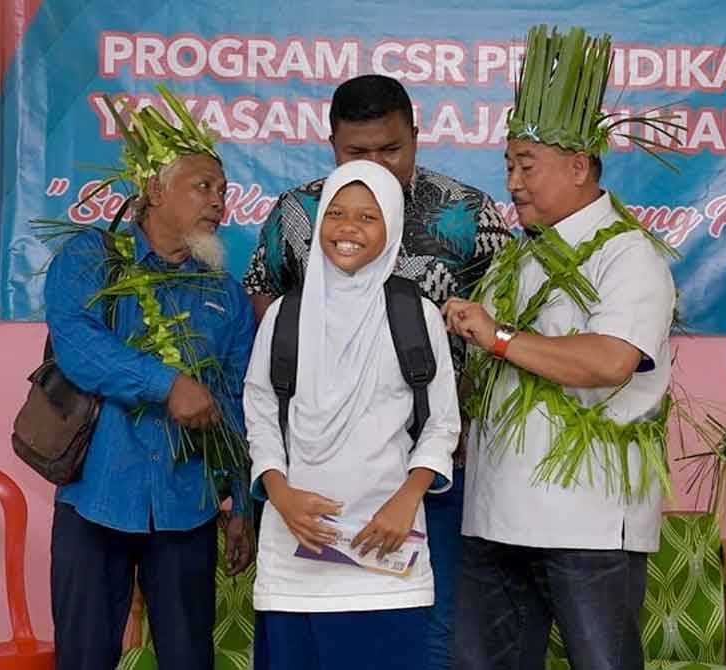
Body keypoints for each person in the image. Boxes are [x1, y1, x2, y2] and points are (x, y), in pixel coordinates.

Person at [242, 73, 512, 669]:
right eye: (356, 153)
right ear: (331, 142)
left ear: (416, 134)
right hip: (307, 477)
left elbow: (505, 326)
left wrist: (431, 459)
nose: (377, 165)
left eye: (391, 149)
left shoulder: (468, 214)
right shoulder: (296, 214)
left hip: (428, 470)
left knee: (427, 631)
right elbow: (266, 331)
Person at [445, 25, 677, 670]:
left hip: (587, 525)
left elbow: (609, 361)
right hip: (494, 512)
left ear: (579, 167)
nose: (513, 181)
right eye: (508, 165)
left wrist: (497, 336)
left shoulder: (630, 256)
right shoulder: (516, 257)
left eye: (527, 164)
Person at [44, 88, 255, 669]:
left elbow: (235, 400)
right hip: (95, 498)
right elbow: (79, 347)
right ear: (155, 189)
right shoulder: (91, 258)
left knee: (189, 658)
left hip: (188, 506)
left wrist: (241, 502)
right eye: (203, 187)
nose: (219, 202)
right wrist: (167, 384)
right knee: (85, 657)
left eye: (223, 190)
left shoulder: (225, 294)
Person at [243, 160, 460, 670]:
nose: (348, 228)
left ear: (391, 227)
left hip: (385, 559)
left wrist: (408, 498)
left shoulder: (415, 314)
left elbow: (441, 421)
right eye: (336, 213)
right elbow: (260, 414)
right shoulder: (285, 316)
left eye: (367, 217)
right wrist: (281, 495)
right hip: (295, 560)